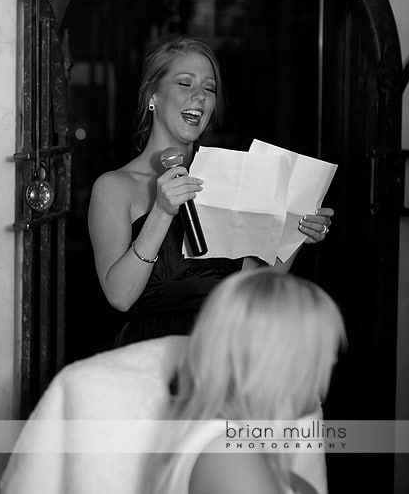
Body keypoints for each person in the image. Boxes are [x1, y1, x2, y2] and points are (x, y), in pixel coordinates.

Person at [88, 36, 334, 345]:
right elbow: (120, 296)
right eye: (185, 83)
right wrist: (162, 212)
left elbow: (249, 288)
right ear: (153, 96)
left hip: (218, 356)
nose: (199, 96)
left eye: (209, 88)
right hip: (149, 357)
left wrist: (296, 233)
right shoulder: (113, 187)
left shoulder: (230, 179)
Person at [147, 268, 346, 494]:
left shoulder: (235, 446)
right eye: (321, 348)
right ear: (279, 362)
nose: (331, 359)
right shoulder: (229, 456)